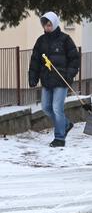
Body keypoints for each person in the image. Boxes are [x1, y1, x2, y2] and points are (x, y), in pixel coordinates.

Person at [28, 11, 80, 147]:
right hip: (47, 80)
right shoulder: (41, 41)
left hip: (61, 81)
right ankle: (66, 124)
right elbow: (35, 61)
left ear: (55, 24)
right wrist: (33, 78)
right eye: (45, 25)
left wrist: (68, 75)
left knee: (57, 108)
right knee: (46, 107)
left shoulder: (65, 39)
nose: (47, 27)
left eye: (50, 24)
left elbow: (74, 59)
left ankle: (59, 138)